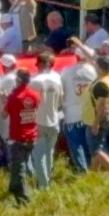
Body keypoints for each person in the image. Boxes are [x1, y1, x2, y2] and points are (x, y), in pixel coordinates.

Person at [59, 46, 97, 173]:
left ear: (76, 56)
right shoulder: (94, 71)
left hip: (72, 114)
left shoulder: (67, 71)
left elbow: (61, 91)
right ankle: (92, 168)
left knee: (77, 144)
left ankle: (82, 171)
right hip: (90, 113)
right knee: (90, 144)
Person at [4, 69, 38, 206]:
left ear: (17, 80)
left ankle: (24, 199)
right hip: (31, 136)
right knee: (18, 166)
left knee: (19, 169)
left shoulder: (14, 96)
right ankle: (13, 188)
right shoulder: (35, 95)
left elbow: (4, 114)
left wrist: (5, 100)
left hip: (18, 137)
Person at [85, 57, 109, 176]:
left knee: (96, 150)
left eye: (96, 66)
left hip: (98, 119)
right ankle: (92, 176)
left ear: (99, 68)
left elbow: (102, 104)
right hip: (108, 117)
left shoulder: (101, 84)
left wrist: (96, 123)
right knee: (97, 147)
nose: (94, 67)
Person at [30, 51, 63, 189]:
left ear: (38, 64)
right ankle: (47, 180)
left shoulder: (34, 81)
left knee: (39, 156)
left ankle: (43, 186)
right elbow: (60, 101)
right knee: (49, 153)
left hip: (39, 121)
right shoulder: (56, 79)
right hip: (54, 120)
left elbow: (30, 103)